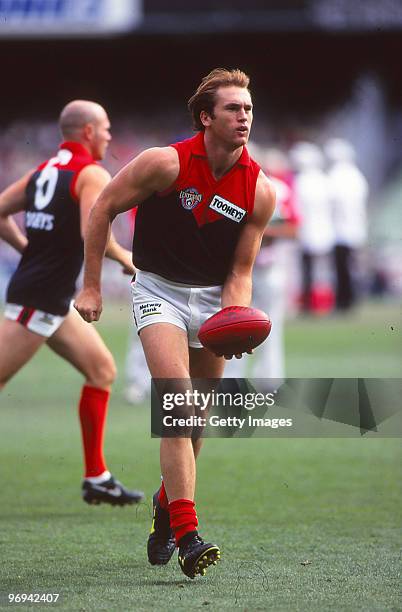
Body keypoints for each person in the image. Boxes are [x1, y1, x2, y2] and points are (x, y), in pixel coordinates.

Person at [75, 69, 275, 578]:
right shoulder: (164, 162)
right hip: (158, 289)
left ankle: (165, 512)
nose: (244, 117)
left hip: (213, 300)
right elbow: (103, 209)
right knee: (177, 406)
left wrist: (235, 319)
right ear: (206, 117)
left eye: (248, 109)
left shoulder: (260, 189)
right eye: (233, 109)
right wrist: (93, 285)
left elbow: (240, 270)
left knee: (196, 425)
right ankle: (189, 535)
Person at [0, 100, 144, 506]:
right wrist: (125, 258)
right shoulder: (90, 173)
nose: (110, 136)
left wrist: (27, 248)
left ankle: (96, 477)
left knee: (101, 370)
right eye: (106, 128)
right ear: (87, 132)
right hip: (40, 298)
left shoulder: (45, 169)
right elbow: (91, 230)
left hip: (47, 295)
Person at [225, 146, 299, 385]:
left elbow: (293, 228)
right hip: (236, 270)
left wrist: (257, 231)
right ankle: (231, 380)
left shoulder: (277, 189)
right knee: (232, 325)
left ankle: (270, 380)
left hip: (267, 267)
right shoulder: (229, 186)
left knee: (270, 326)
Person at [324, 138, 369, 310]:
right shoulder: (356, 175)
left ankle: (344, 300)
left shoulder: (336, 176)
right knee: (351, 267)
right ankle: (350, 299)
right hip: (354, 229)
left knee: (342, 268)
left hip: (340, 231)